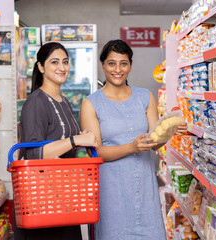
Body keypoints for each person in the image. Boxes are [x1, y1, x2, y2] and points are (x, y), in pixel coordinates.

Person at [80, 39, 187, 240]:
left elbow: (155, 141)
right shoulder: (91, 104)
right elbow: (95, 152)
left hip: (144, 186)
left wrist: (171, 129)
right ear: (102, 65)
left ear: (130, 65)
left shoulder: (145, 97)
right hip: (112, 191)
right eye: (111, 63)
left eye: (123, 63)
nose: (117, 69)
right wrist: (131, 147)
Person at [15, 42, 99, 240]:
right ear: (41, 67)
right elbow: (34, 154)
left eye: (65, 62)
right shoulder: (36, 101)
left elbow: (61, 141)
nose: (62, 67)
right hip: (41, 200)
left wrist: (81, 139)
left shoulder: (64, 100)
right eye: (54, 62)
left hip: (63, 196)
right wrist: (76, 139)